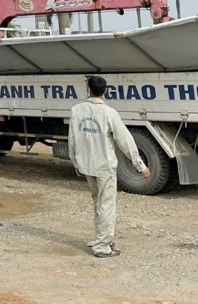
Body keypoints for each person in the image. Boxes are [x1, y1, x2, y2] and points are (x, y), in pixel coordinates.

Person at [68, 76, 151, 259]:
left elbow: (72, 139)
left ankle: (100, 237)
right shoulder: (109, 113)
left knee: (97, 201)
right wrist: (140, 166)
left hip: (88, 166)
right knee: (106, 204)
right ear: (105, 91)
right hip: (104, 166)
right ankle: (102, 245)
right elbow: (126, 141)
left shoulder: (76, 110)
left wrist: (76, 162)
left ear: (88, 90)